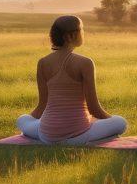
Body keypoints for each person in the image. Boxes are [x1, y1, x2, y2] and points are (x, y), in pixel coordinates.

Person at [16, 15, 128, 145]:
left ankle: (42, 128)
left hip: (47, 136)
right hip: (78, 136)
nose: (83, 33)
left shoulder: (43, 62)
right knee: (121, 122)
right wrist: (110, 120)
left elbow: (41, 106)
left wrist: (36, 123)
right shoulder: (85, 63)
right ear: (70, 36)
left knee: (22, 119)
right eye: (81, 29)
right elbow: (94, 109)